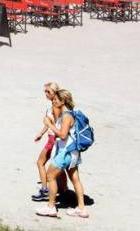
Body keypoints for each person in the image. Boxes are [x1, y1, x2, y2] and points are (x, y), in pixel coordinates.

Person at [37, 88, 88, 219]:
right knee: (75, 179)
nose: (53, 101)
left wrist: (50, 124)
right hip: (73, 152)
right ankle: (82, 209)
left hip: (66, 152)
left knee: (50, 176)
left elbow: (63, 135)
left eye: (55, 99)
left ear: (63, 101)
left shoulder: (66, 116)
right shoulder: (71, 113)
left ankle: (51, 207)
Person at [31, 82, 62, 202]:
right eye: (45, 91)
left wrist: (52, 139)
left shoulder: (55, 107)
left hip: (53, 139)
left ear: (55, 93)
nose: (46, 93)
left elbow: (55, 124)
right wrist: (41, 133)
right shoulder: (53, 105)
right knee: (58, 167)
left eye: (48, 91)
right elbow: (48, 122)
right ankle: (63, 190)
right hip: (52, 138)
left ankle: (45, 190)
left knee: (40, 162)